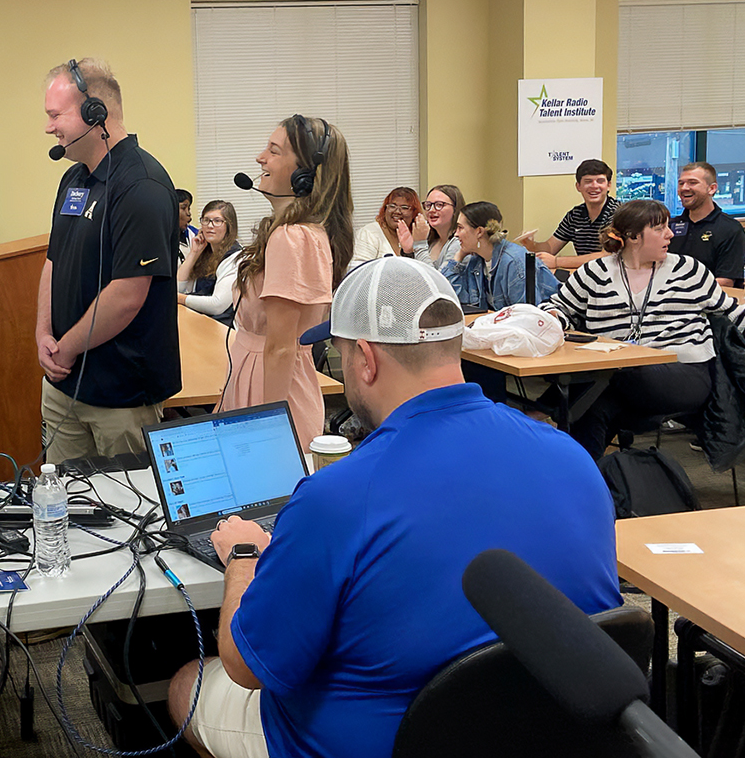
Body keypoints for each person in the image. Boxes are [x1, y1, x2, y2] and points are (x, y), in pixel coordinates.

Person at [169, 257, 622, 758]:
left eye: (338, 353)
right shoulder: (573, 458)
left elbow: (247, 667)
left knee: (188, 681)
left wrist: (243, 557)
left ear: (365, 358)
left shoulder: (336, 497)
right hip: (549, 733)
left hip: (374, 743)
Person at [36, 58, 181, 462]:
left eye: (55, 115)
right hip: (64, 386)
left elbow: (128, 294)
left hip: (121, 398)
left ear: (94, 112)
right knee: (65, 505)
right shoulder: (74, 178)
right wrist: (43, 332)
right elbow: (54, 260)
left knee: (128, 515)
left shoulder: (142, 186)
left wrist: (65, 348)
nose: (49, 127)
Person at [542, 199, 745, 460]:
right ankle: (583, 484)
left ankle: (539, 410)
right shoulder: (594, 272)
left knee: (602, 378)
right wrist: (551, 318)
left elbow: (735, 314)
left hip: (684, 372)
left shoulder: (688, 270)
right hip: (619, 376)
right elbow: (557, 308)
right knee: (595, 407)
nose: (670, 234)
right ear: (633, 236)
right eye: (660, 229)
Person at [218, 115, 353, 452]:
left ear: (305, 174)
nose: (260, 158)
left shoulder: (291, 238)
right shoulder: (299, 233)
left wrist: (267, 429)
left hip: (273, 393)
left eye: (274, 151)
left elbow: (280, 348)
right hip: (261, 380)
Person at [441, 201, 559, 310]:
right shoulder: (477, 260)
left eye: (460, 228)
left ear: (479, 232)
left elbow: (524, 315)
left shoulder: (514, 262)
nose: (456, 234)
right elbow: (451, 298)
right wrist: (458, 257)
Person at [519, 158, 618, 271]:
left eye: (600, 181)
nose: (594, 186)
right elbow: (550, 248)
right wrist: (531, 245)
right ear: (578, 186)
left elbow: (608, 256)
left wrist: (557, 261)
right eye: (588, 181)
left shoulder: (618, 213)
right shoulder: (574, 215)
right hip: (586, 277)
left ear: (609, 185)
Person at [667, 162, 745, 287]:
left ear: (712, 189)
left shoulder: (730, 229)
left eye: (692, 183)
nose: (684, 188)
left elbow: (726, 282)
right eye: (681, 183)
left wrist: (682, 291)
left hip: (710, 302)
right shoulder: (670, 227)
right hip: (667, 300)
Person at [177, 200, 242, 327]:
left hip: (224, 329)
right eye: (206, 220)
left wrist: (180, 299)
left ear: (229, 226)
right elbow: (179, 288)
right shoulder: (205, 253)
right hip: (201, 323)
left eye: (217, 221)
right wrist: (194, 253)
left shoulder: (236, 257)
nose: (210, 226)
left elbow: (217, 305)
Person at [397, 184, 465, 268]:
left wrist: (420, 244)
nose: (432, 210)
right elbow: (414, 275)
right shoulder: (431, 239)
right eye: (428, 205)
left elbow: (438, 279)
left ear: (455, 209)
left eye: (439, 205)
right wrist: (409, 252)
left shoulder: (459, 242)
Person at [351, 187, 419, 269]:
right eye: (392, 206)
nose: (397, 211)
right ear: (385, 209)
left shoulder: (418, 234)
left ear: (414, 213)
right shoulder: (369, 233)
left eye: (404, 207)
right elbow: (359, 270)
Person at [176, 188, 197, 262]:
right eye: (183, 208)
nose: (188, 213)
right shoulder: (161, 239)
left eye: (189, 208)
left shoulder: (194, 234)